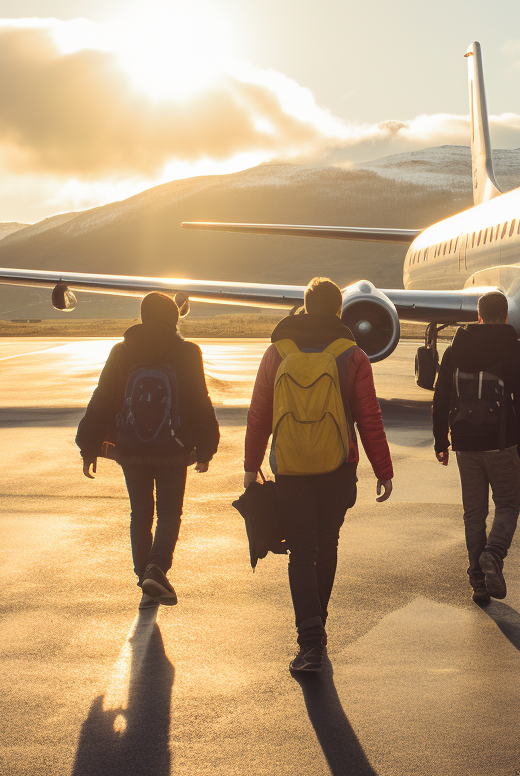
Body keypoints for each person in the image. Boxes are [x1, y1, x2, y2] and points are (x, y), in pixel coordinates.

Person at [244, 277, 393, 674]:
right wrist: (383, 469)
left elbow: (259, 414)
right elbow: (369, 417)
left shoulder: (277, 352)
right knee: (326, 546)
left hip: (291, 469)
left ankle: (309, 640)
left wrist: (249, 466)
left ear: (305, 307)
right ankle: (317, 628)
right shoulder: (353, 355)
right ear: (340, 310)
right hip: (337, 468)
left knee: (300, 552)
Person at [77, 291, 220, 606]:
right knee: (170, 512)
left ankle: (144, 573)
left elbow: (101, 397)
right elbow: (199, 401)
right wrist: (206, 447)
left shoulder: (122, 351)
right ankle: (157, 567)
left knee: (141, 512)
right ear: (174, 317)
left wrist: (88, 445)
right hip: (174, 448)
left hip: (131, 447)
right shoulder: (187, 352)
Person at [432, 290, 520, 606]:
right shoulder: (518, 351)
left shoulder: (455, 347)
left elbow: (441, 397)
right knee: (507, 504)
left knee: (473, 513)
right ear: (506, 316)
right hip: (502, 443)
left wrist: (441, 440)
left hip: (464, 442)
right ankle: (493, 554)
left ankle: (478, 583)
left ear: (478, 316)